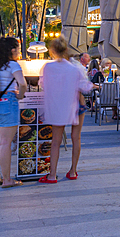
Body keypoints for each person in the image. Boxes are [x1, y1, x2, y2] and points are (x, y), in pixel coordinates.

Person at [37, 37, 93, 183]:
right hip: (77, 104)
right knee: (76, 138)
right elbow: (85, 87)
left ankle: (52, 175)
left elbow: (42, 84)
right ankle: (73, 171)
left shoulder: (48, 67)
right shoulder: (75, 68)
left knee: (55, 141)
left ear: (52, 50)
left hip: (59, 105)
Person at [0, 38, 27, 187]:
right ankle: (7, 179)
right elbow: (22, 83)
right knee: (5, 142)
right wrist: (20, 95)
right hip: (6, 102)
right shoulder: (13, 65)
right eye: (18, 48)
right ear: (12, 50)